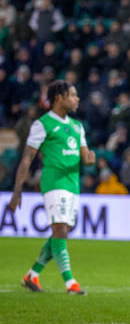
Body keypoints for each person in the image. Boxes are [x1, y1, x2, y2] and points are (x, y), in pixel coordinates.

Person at [9, 81, 95, 295]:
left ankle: (32, 275)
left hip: (72, 183)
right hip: (54, 182)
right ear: (59, 97)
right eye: (72, 95)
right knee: (61, 230)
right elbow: (26, 158)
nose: (77, 99)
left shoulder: (77, 126)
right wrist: (17, 191)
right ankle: (70, 283)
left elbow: (85, 155)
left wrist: (89, 159)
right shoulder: (43, 124)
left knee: (62, 232)